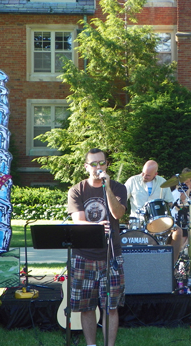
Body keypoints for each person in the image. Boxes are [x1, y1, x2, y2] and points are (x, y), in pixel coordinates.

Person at [67, 148, 126, 346]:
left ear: (107, 165)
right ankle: (91, 345)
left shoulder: (118, 188)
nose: (97, 167)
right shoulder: (77, 190)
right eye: (93, 164)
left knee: (111, 307)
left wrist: (107, 187)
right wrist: (97, 227)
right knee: (86, 306)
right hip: (84, 256)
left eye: (101, 163)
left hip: (111, 255)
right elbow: (78, 221)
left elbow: (118, 214)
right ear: (86, 167)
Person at [125, 160, 183, 262]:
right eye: (143, 173)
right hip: (138, 221)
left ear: (155, 174)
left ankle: (171, 265)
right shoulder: (132, 181)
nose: (144, 176)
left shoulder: (162, 181)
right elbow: (121, 200)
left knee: (178, 231)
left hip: (158, 221)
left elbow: (169, 202)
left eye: (148, 175)